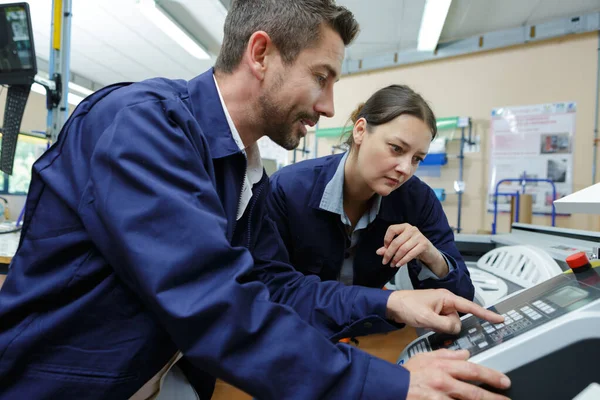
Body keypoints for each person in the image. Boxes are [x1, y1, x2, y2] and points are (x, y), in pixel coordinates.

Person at [0, 1, 510, 399]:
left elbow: (275, 287)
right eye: (321, 77)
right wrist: (390, 385)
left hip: (160, 377)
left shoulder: (245, 171)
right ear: (261, 53)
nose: (328, 104)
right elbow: (215, 304)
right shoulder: (144, 124)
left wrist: (390, 300)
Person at [267, 84, 474, 300]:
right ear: (360, 131)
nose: (405, 169)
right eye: (396, 148)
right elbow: (273, 289)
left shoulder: (419, 201)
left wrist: (433, 258)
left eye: (417, 159)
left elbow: (462, 298)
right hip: (298, 327)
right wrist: (386, 304)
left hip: (368, 329)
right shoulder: (288, 188)